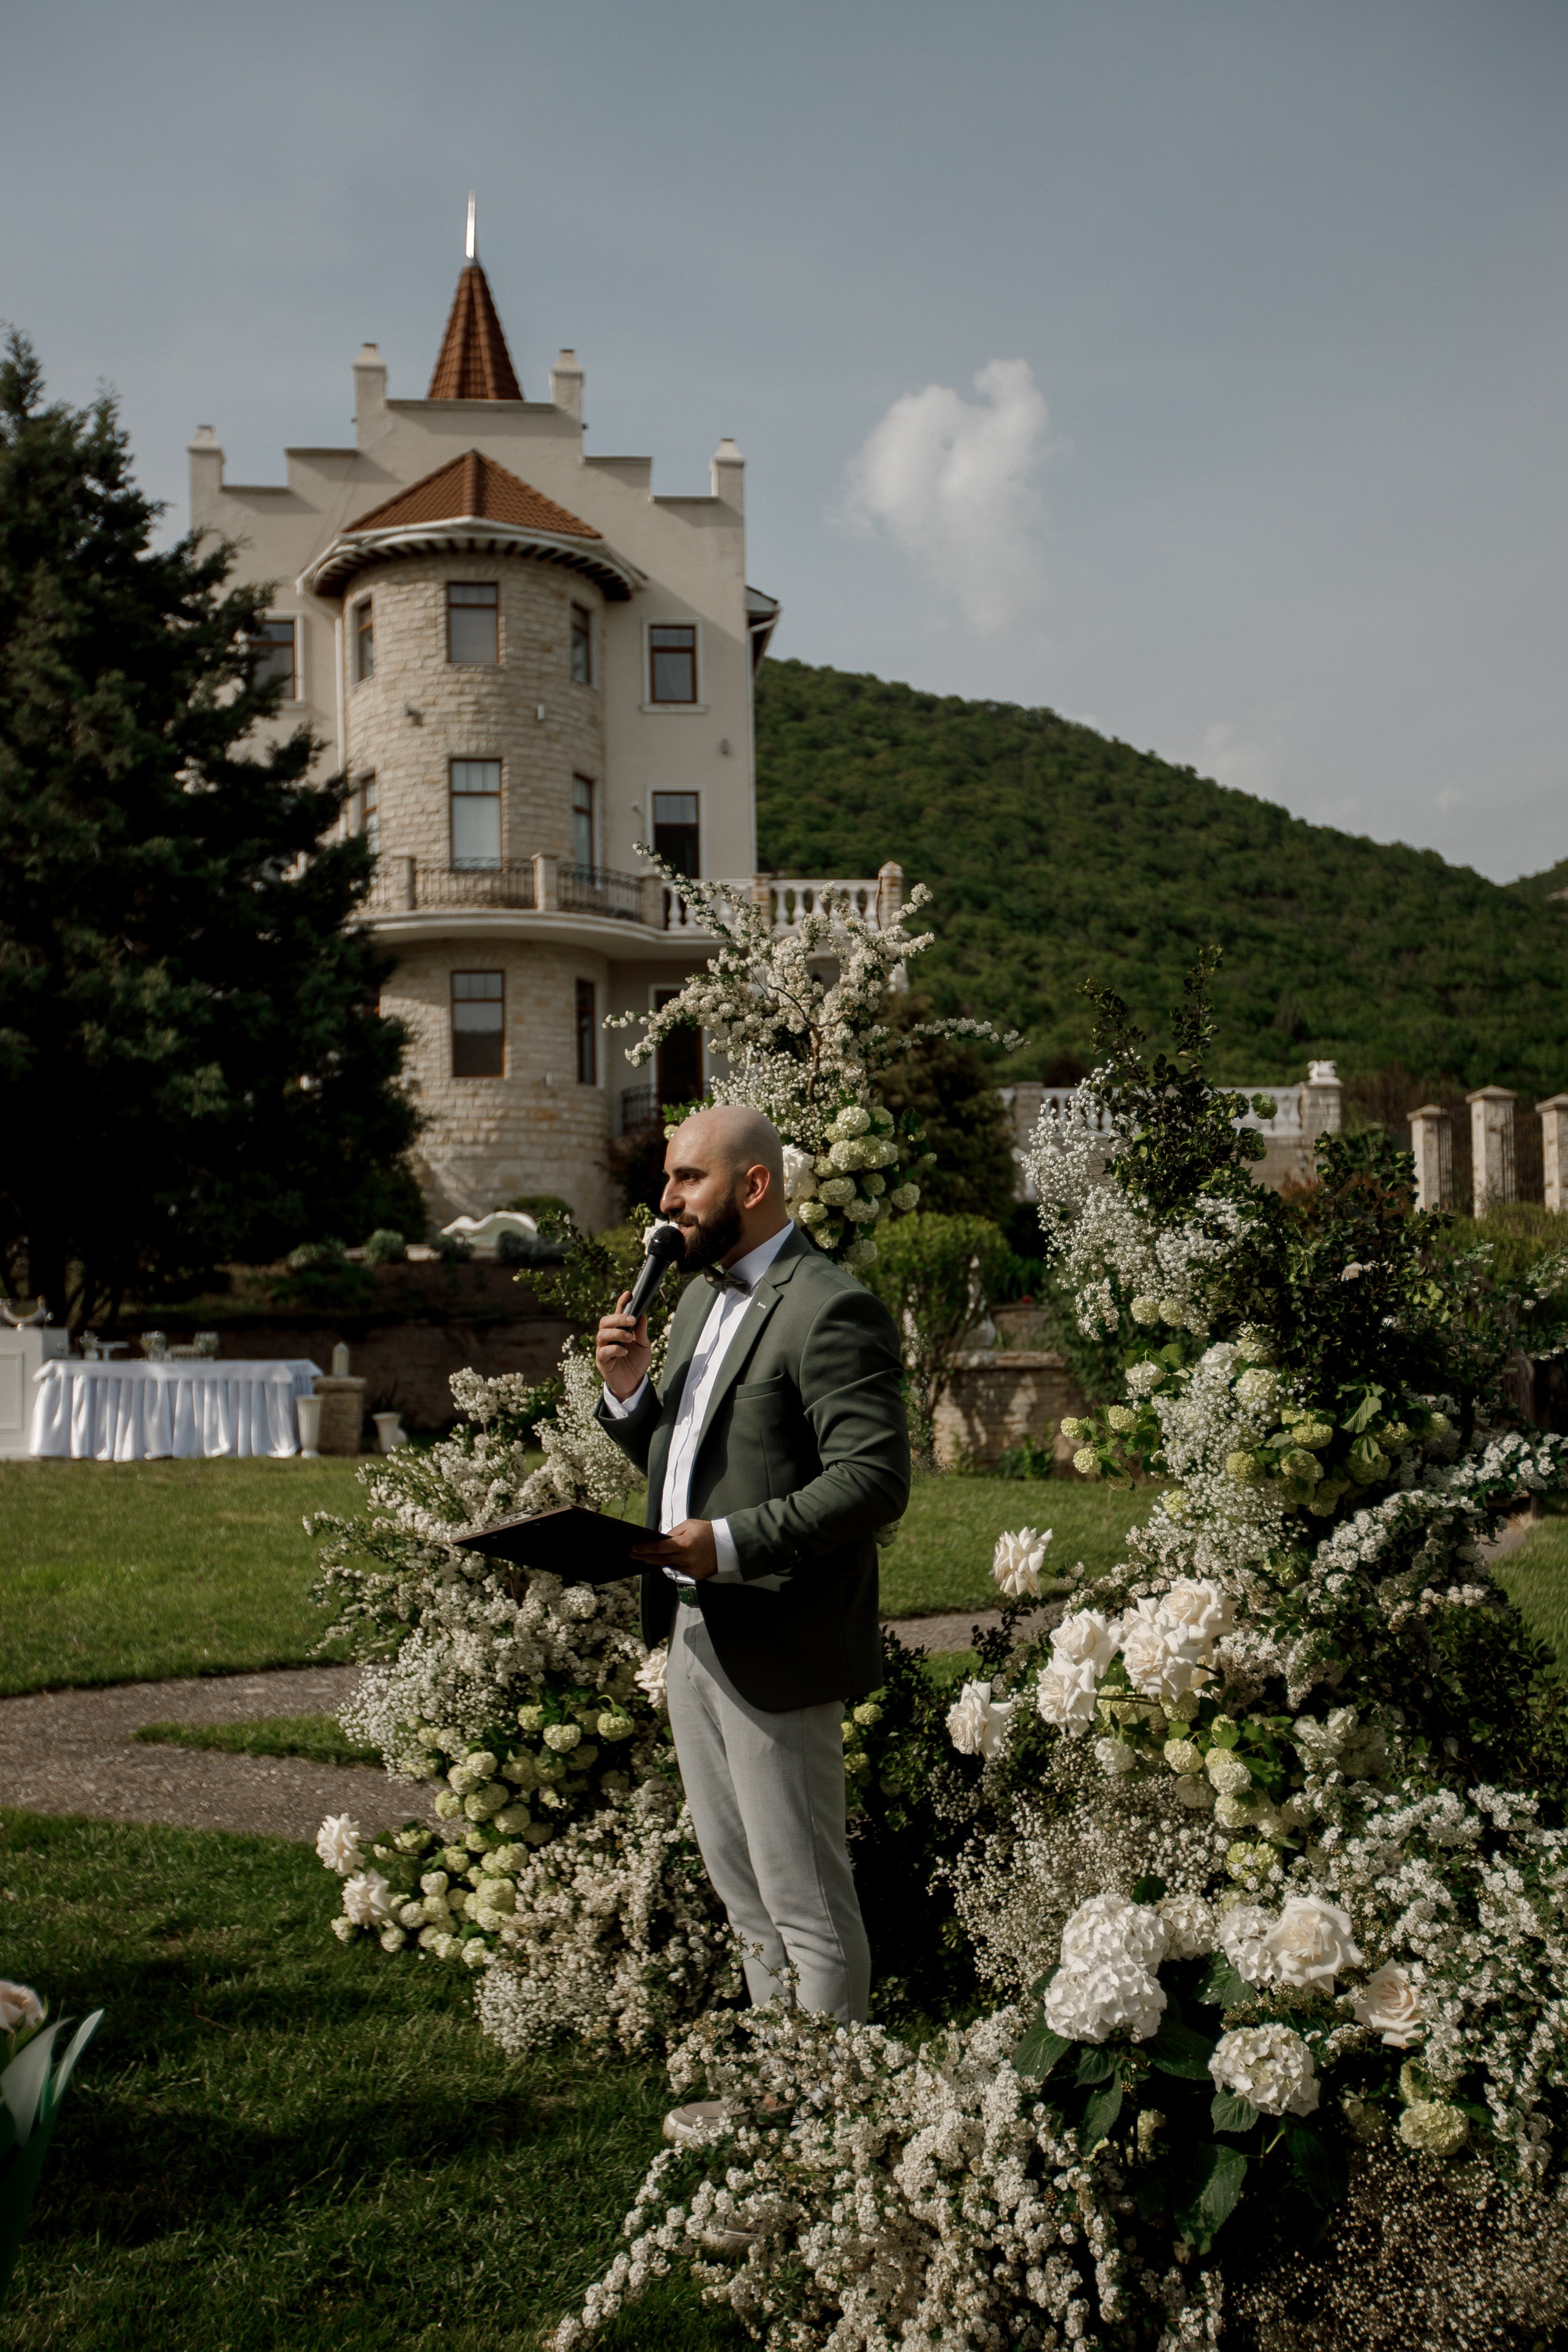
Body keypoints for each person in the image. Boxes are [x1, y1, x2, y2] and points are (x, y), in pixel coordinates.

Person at [595, 1103, 909, 2024]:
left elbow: (874, 1481)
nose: (666, 1201)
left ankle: (831, 2115)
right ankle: (779, 2090)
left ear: (755, 1185)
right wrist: (629, 1396)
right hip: (694, 1630)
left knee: (803, 1897)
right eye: (667, 1180)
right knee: (743, 1894)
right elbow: (691, 1462)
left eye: (687, 1179)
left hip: (780, 1634)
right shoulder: (696, 1299)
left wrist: (728, 1546)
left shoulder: (829, 1305)